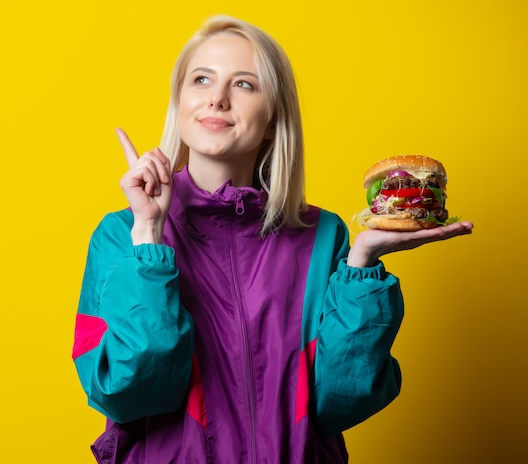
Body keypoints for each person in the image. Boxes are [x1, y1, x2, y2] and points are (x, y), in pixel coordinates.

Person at [72, 15, 473, 464]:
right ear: (180, 102)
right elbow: (131, 395)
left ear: (271, 121)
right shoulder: (121, 235)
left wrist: (360, 267)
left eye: (244, 84)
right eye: (201, 79)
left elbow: (339, 403)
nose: (217, 99)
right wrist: (149, 239)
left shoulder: (323, 236)